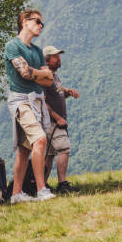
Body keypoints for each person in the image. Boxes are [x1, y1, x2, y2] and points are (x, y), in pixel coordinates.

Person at [4, 10, 57, 203]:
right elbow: (23, 73)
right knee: (40, 140)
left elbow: (49, 79)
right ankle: (41, 189)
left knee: (25, 149)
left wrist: (35, 73)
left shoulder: (36, 51)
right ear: (25, 22)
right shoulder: (13, 46)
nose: (41, 25)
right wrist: (39, 73)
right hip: (20, 101)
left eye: (42, 23)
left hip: (35, 100)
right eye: (37, 21)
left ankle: (16, 193)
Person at [41, 45, 80, 194]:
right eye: (55, 57)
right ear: (47, 60)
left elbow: (58, 92)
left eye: (59, 56)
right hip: (52, 122)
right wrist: (57, 118)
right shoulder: (44, 76)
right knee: (64, 149)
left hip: (52, 122)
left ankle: (42, 185)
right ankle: (62, 184)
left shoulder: (53, 75)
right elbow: (43, 101)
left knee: (49, 155)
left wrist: (68, 92)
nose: (59, 59)